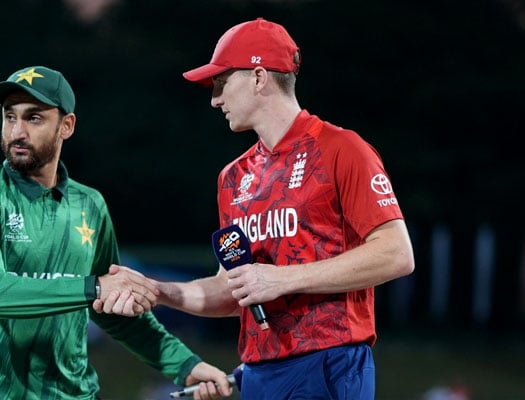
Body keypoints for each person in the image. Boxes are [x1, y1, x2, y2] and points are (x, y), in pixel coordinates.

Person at [95, 18, 416, 399]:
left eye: (221, 82)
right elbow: (231, 290)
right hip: (259, 373)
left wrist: (282, 279)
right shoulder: (232, 178)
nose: (215, 99)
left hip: (329, 363)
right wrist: (159, 290)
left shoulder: (342, 149)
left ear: (259, 77)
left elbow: (396, 253)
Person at [0, 65, 232, 399]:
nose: (17, 132)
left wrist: (185, 366)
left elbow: (113, 310)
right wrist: (94, 286)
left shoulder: (90, 205)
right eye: (10, 117)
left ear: (66, 126)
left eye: (34, 118)